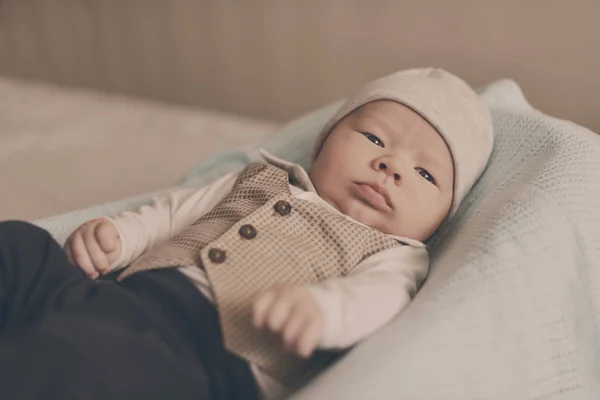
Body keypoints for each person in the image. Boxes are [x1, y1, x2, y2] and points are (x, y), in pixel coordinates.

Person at [0, 68, 493, 400]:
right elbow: (173, 213)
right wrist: (118, 236)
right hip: (116, 296)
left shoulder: (396, 255)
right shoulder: (258, 178)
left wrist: (323, 311)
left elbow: (376, 300)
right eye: (374, 138)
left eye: (426, 175)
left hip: (202, 358)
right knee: (22, 246)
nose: (391, 166)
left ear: (442, 218)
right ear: (325, 141)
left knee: (84, 360)